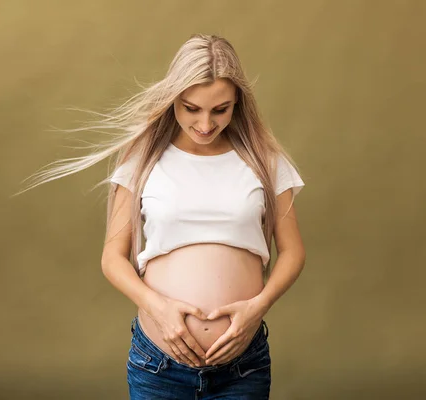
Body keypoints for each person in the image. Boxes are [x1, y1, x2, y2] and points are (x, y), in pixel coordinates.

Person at [21, 33, 306, 399]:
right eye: (191, 108)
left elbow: (293, 251)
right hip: (159, 365)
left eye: (220, 109)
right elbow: (112, 258)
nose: (205, 123)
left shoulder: (265, 161)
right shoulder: (142, 159)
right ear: (173, 99)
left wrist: (257, 307)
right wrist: (159, 309)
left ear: (238, 103)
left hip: (241, 365)